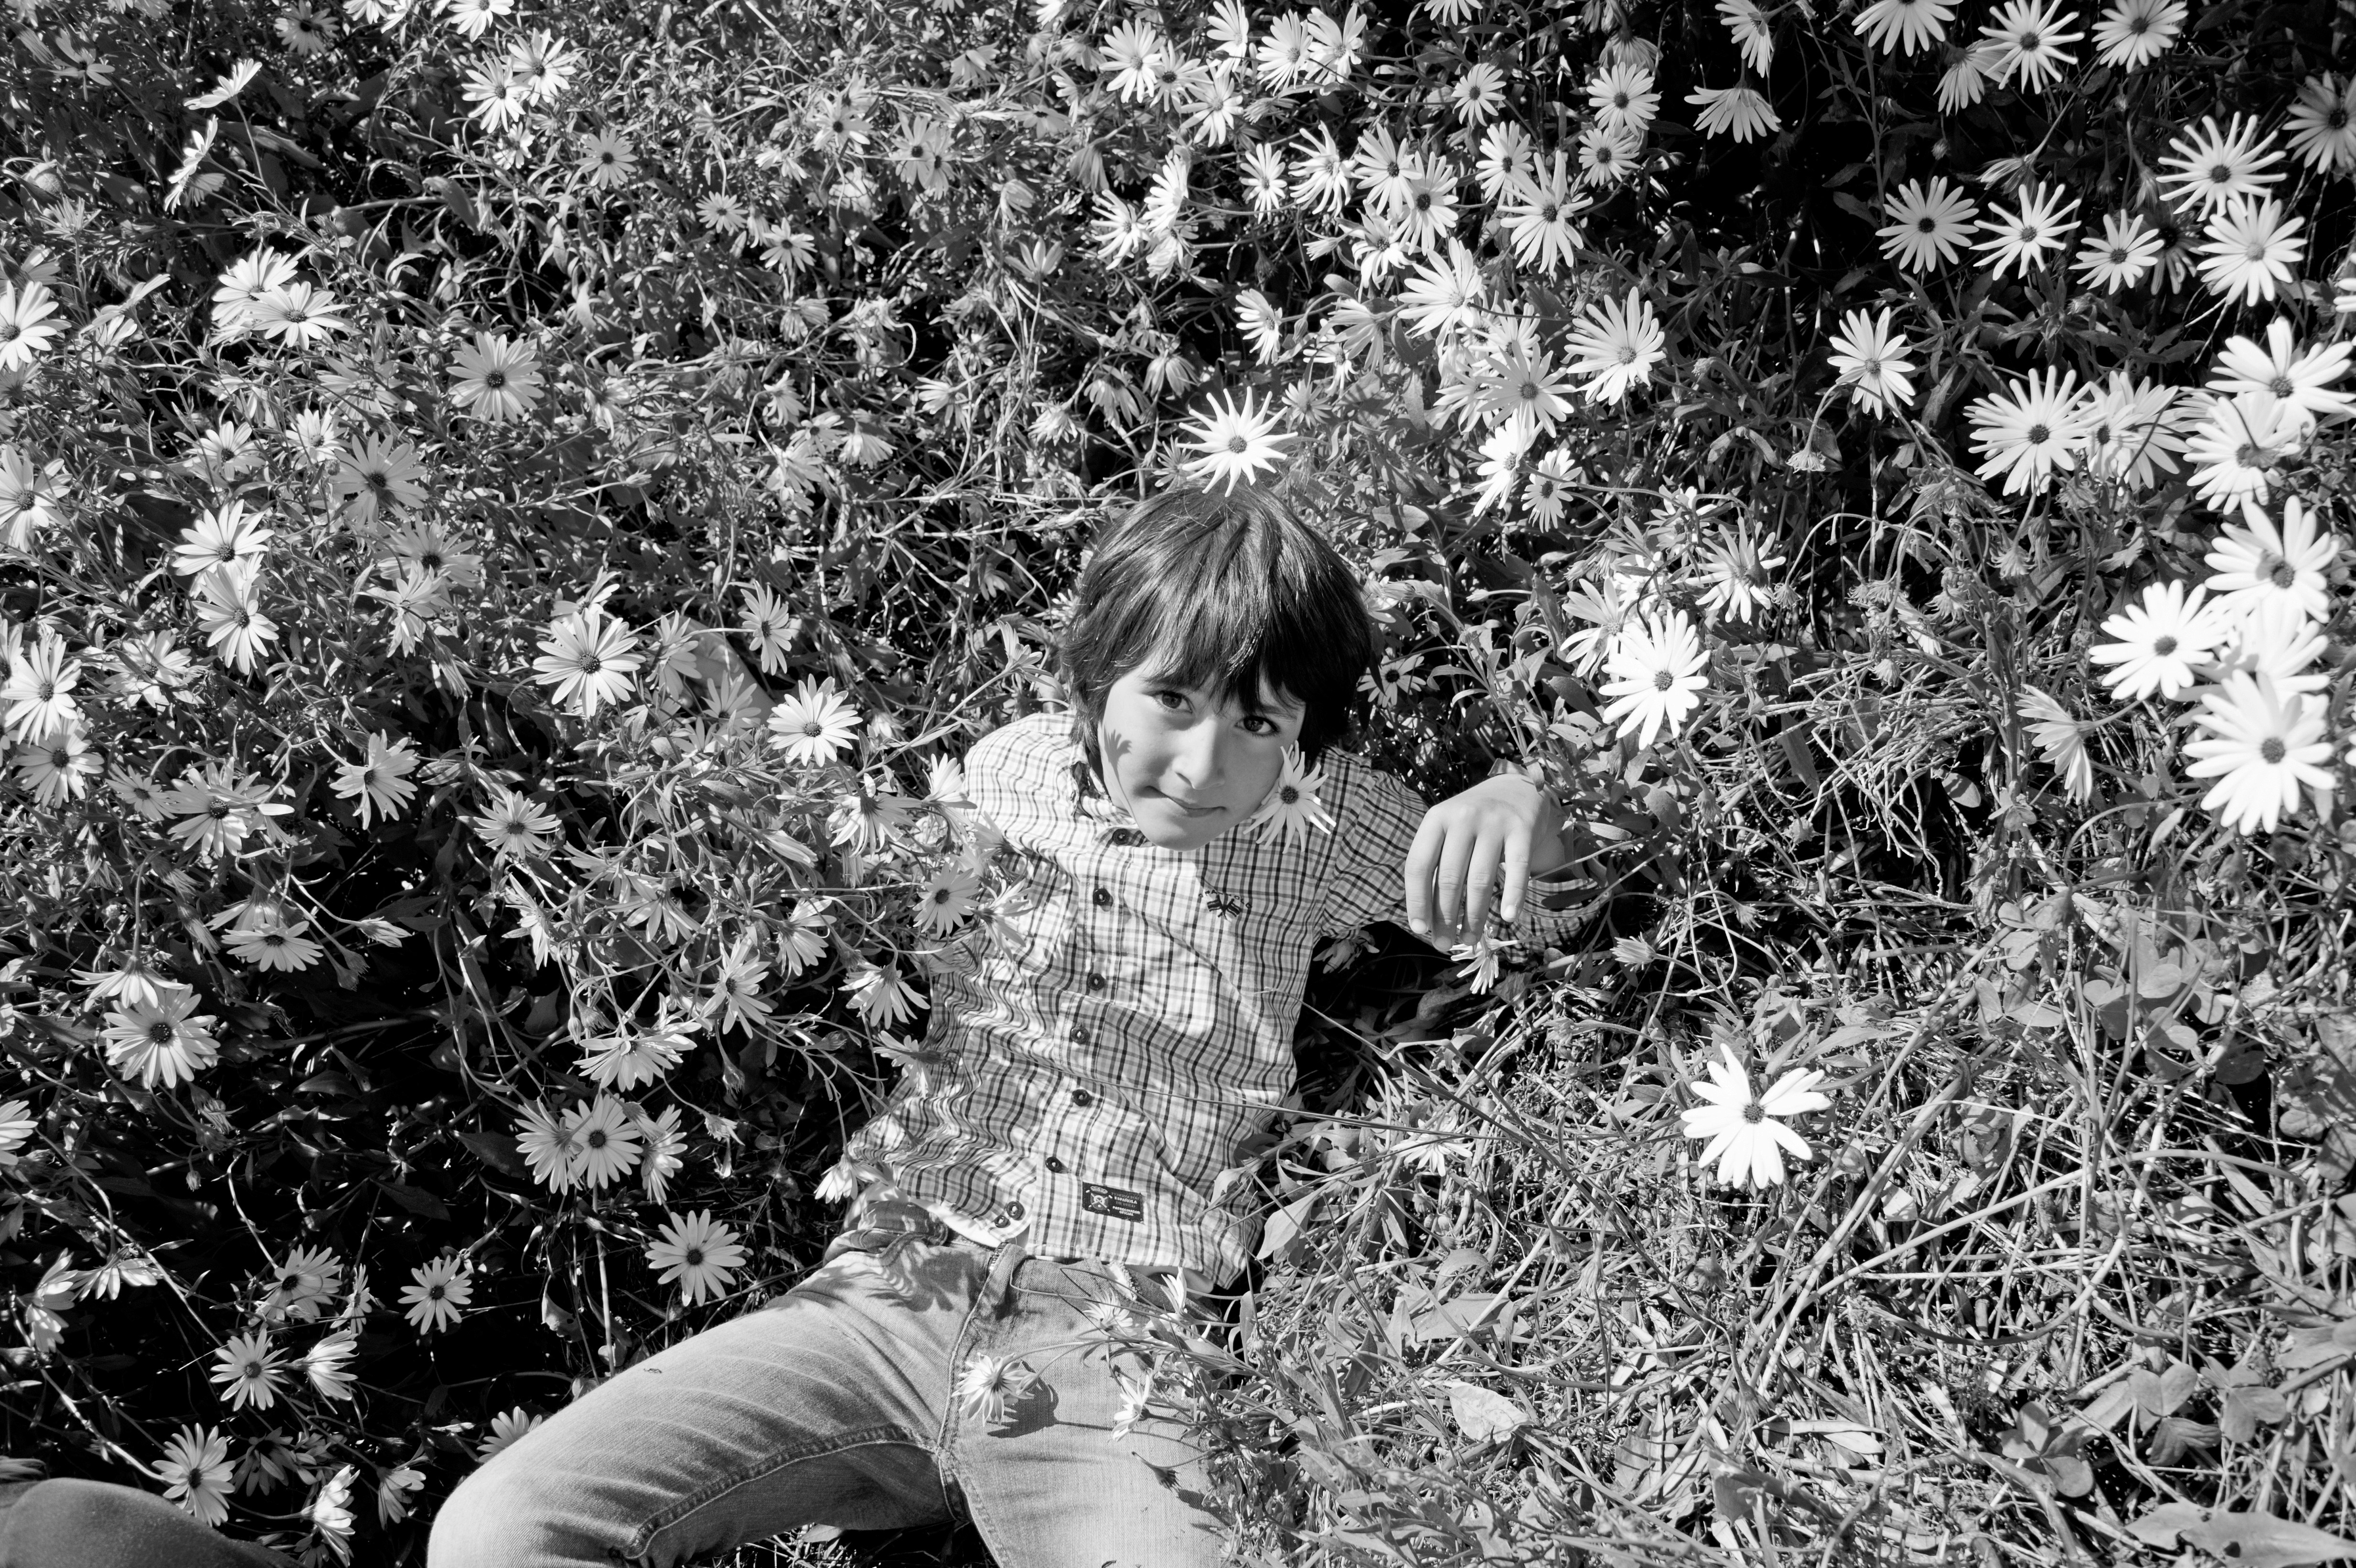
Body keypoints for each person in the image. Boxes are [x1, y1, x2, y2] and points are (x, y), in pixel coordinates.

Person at [426, 480, 1588, 1568]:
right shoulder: (1002, 769)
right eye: (1170, 698)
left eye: (1259, 721)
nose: (1201, 761)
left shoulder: (1322, 822)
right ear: (1094, 678)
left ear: (1306, 741)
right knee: (498, 1526)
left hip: (1115, 1335)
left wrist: (1520, 802)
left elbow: (1549, 909)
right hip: (888, 1292)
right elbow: (866, 889)